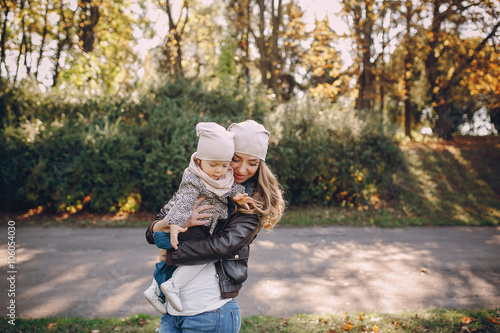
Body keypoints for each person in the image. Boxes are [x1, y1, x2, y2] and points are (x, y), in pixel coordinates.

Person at [146, 120, 285, 333]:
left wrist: (172, 251)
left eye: (252, 163)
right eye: (234, 159)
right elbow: (154, 230)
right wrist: (173, 222)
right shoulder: (202, 180)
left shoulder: (251, 200)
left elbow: (224, 245)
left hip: (210, 311)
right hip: (172, 312)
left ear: (260, 164)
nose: (241, 169)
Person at [144, 122, 254, 314]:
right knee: (204, 257)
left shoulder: (223, 176)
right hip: (193, 225)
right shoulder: (193, 177)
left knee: (182, 257)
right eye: (213, 165)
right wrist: (176, 223)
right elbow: (184, 200)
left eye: (224, 165)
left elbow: (230, 188)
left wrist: (239, 196)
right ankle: (172, 286)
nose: (219, 171)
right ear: (200, 159)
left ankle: (155, 287)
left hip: (202, 225)